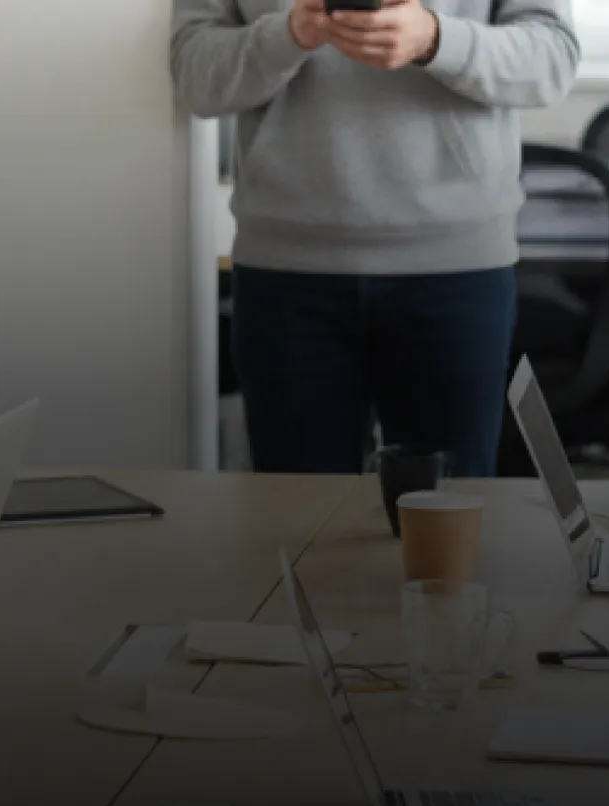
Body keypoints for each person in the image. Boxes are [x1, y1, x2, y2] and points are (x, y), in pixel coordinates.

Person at [172, 0, 580, 476]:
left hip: (455, 266)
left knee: (449, 524)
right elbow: (196, 78)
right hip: (286, 268)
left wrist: (435, 39)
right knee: (297, 526)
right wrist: (288, 35)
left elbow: (552, 60)